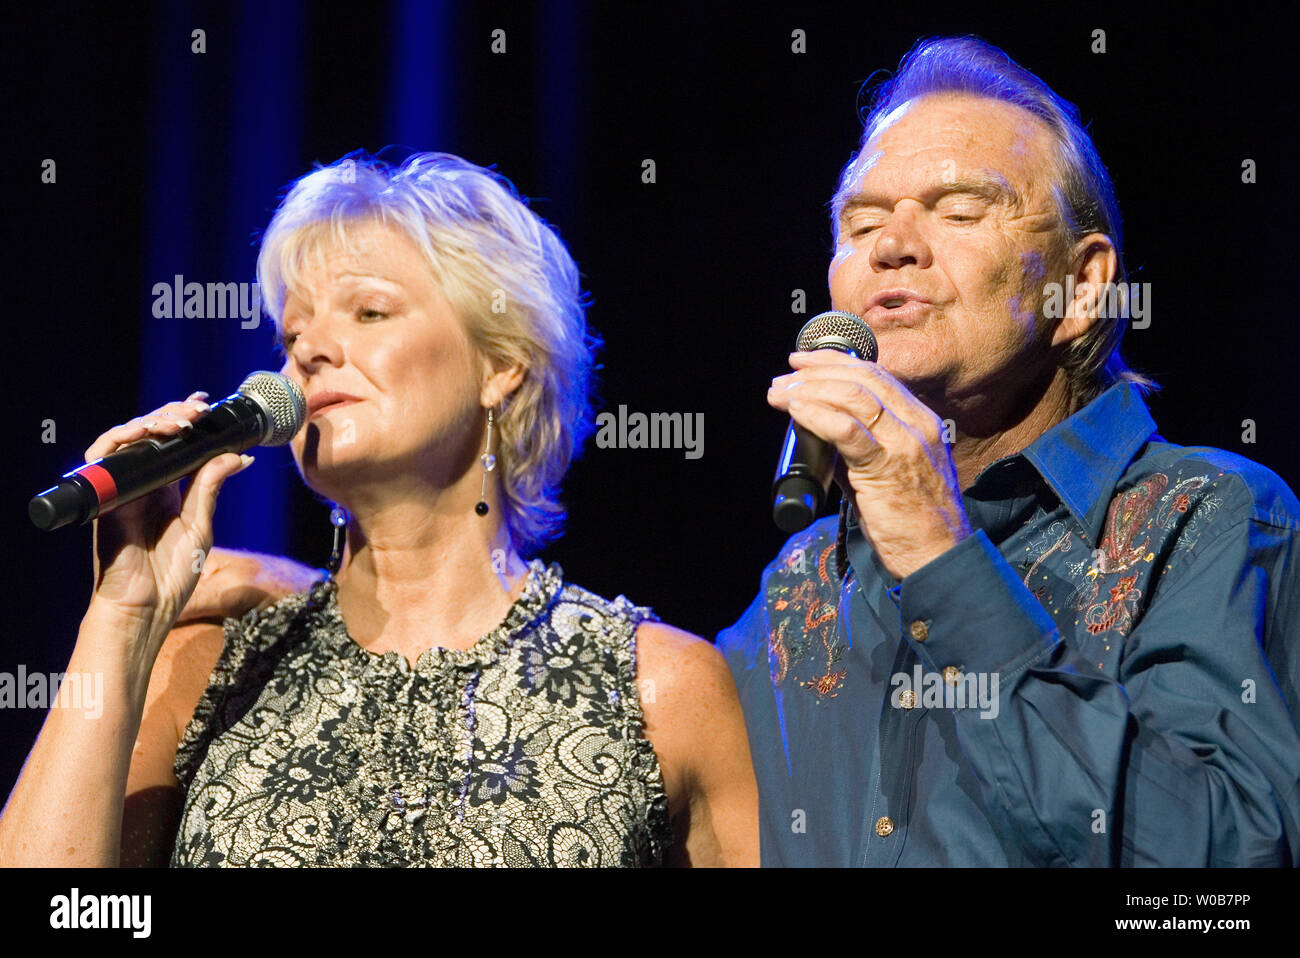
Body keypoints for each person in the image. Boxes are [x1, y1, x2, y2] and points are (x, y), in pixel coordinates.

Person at [0, 151, 757, 867]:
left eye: (368, 313)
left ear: (501, 364)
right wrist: (123, 616)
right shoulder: (203, 670)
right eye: (293, 333)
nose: (310, 351)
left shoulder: (661, 688)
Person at [717, 35, 1300, 866]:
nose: (893, 245)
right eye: (863, 221)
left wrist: (938, 552)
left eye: (958, 211)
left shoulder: (1211, 518)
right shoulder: (802, 582)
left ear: (1081, 286)